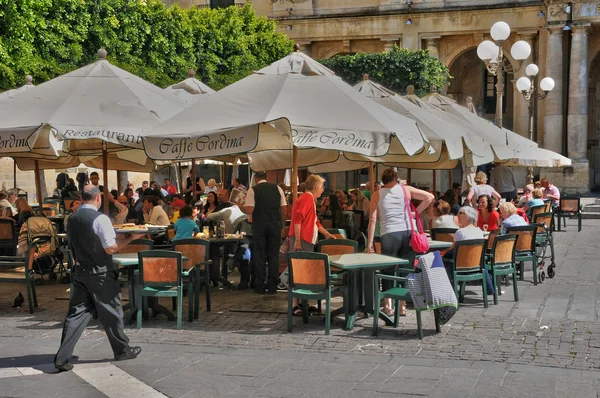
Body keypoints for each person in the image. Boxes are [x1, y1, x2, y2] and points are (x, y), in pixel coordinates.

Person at [54, 185, 143, 372]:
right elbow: (110, 247)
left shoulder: (72, 218)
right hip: (100, 272)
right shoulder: (100, 218)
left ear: (82, 197)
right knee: (112, 312)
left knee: (76, 314)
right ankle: (122, 350)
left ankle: (62, 357)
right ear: (98, 198)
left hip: (80, 271)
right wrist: (130, 238)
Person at [368, 168, 435, 317]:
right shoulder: (406, 190)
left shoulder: (377, 194)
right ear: (395, 179)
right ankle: (403, 306)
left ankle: (388, 306)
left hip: (389, 233)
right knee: (407, 268)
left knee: (388, 270)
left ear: (384, 181)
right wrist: (414, 212)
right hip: (407, 233)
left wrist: (370, 242)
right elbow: (429, 197)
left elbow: (372, 220)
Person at [288, 174, 336, 316]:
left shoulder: (309, 199)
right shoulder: (307, 198)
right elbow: (298, 218)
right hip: (302, 240)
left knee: (303, 272)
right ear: (315, 187)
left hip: (305, 239)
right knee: (299, 272)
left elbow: (314, 221)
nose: (322, 190)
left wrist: (326, 233)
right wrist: (297, 240)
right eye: (321, 187)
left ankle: (303, 303)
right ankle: (295, 305)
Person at [242, 171, 287, 294]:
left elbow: (250, 209)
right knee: (274, 256)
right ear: (266, 178)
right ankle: (273, 286)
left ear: (256, 179)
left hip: (260, 225)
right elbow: (284, 209)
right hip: (275, 225)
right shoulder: (277, 188)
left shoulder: (253, 190)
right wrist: (281, 226)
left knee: (260, 255)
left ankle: (260, 285)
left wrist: (241, 206)